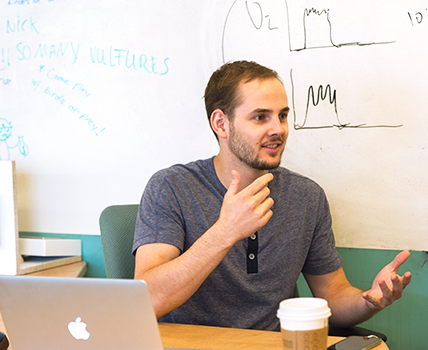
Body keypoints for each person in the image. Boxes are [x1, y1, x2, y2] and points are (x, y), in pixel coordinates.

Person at [132, 60, 412, 331]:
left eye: (282, 115)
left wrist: (371, 301)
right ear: (221, 124)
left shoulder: (306, 197)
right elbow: (147, 299)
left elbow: (333, 295)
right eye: (260, 117)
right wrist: (225, 232)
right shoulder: (170, 187)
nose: (278, 129)